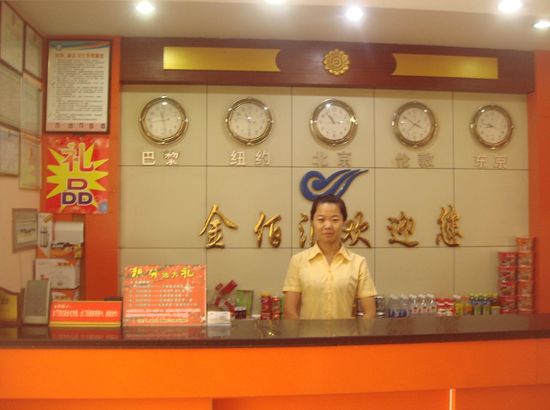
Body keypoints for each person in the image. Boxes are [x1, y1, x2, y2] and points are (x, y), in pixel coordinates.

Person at [282, 194, 377, 319]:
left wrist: (356, 332)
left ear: (344, 223)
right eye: (321, 220)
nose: (328, 226)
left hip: (345, 332)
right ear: (312, 222)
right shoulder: (298, 261)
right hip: (308, 332)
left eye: (335, 220)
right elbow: (290, 311)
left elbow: (370, 312)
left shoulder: (358, 263)